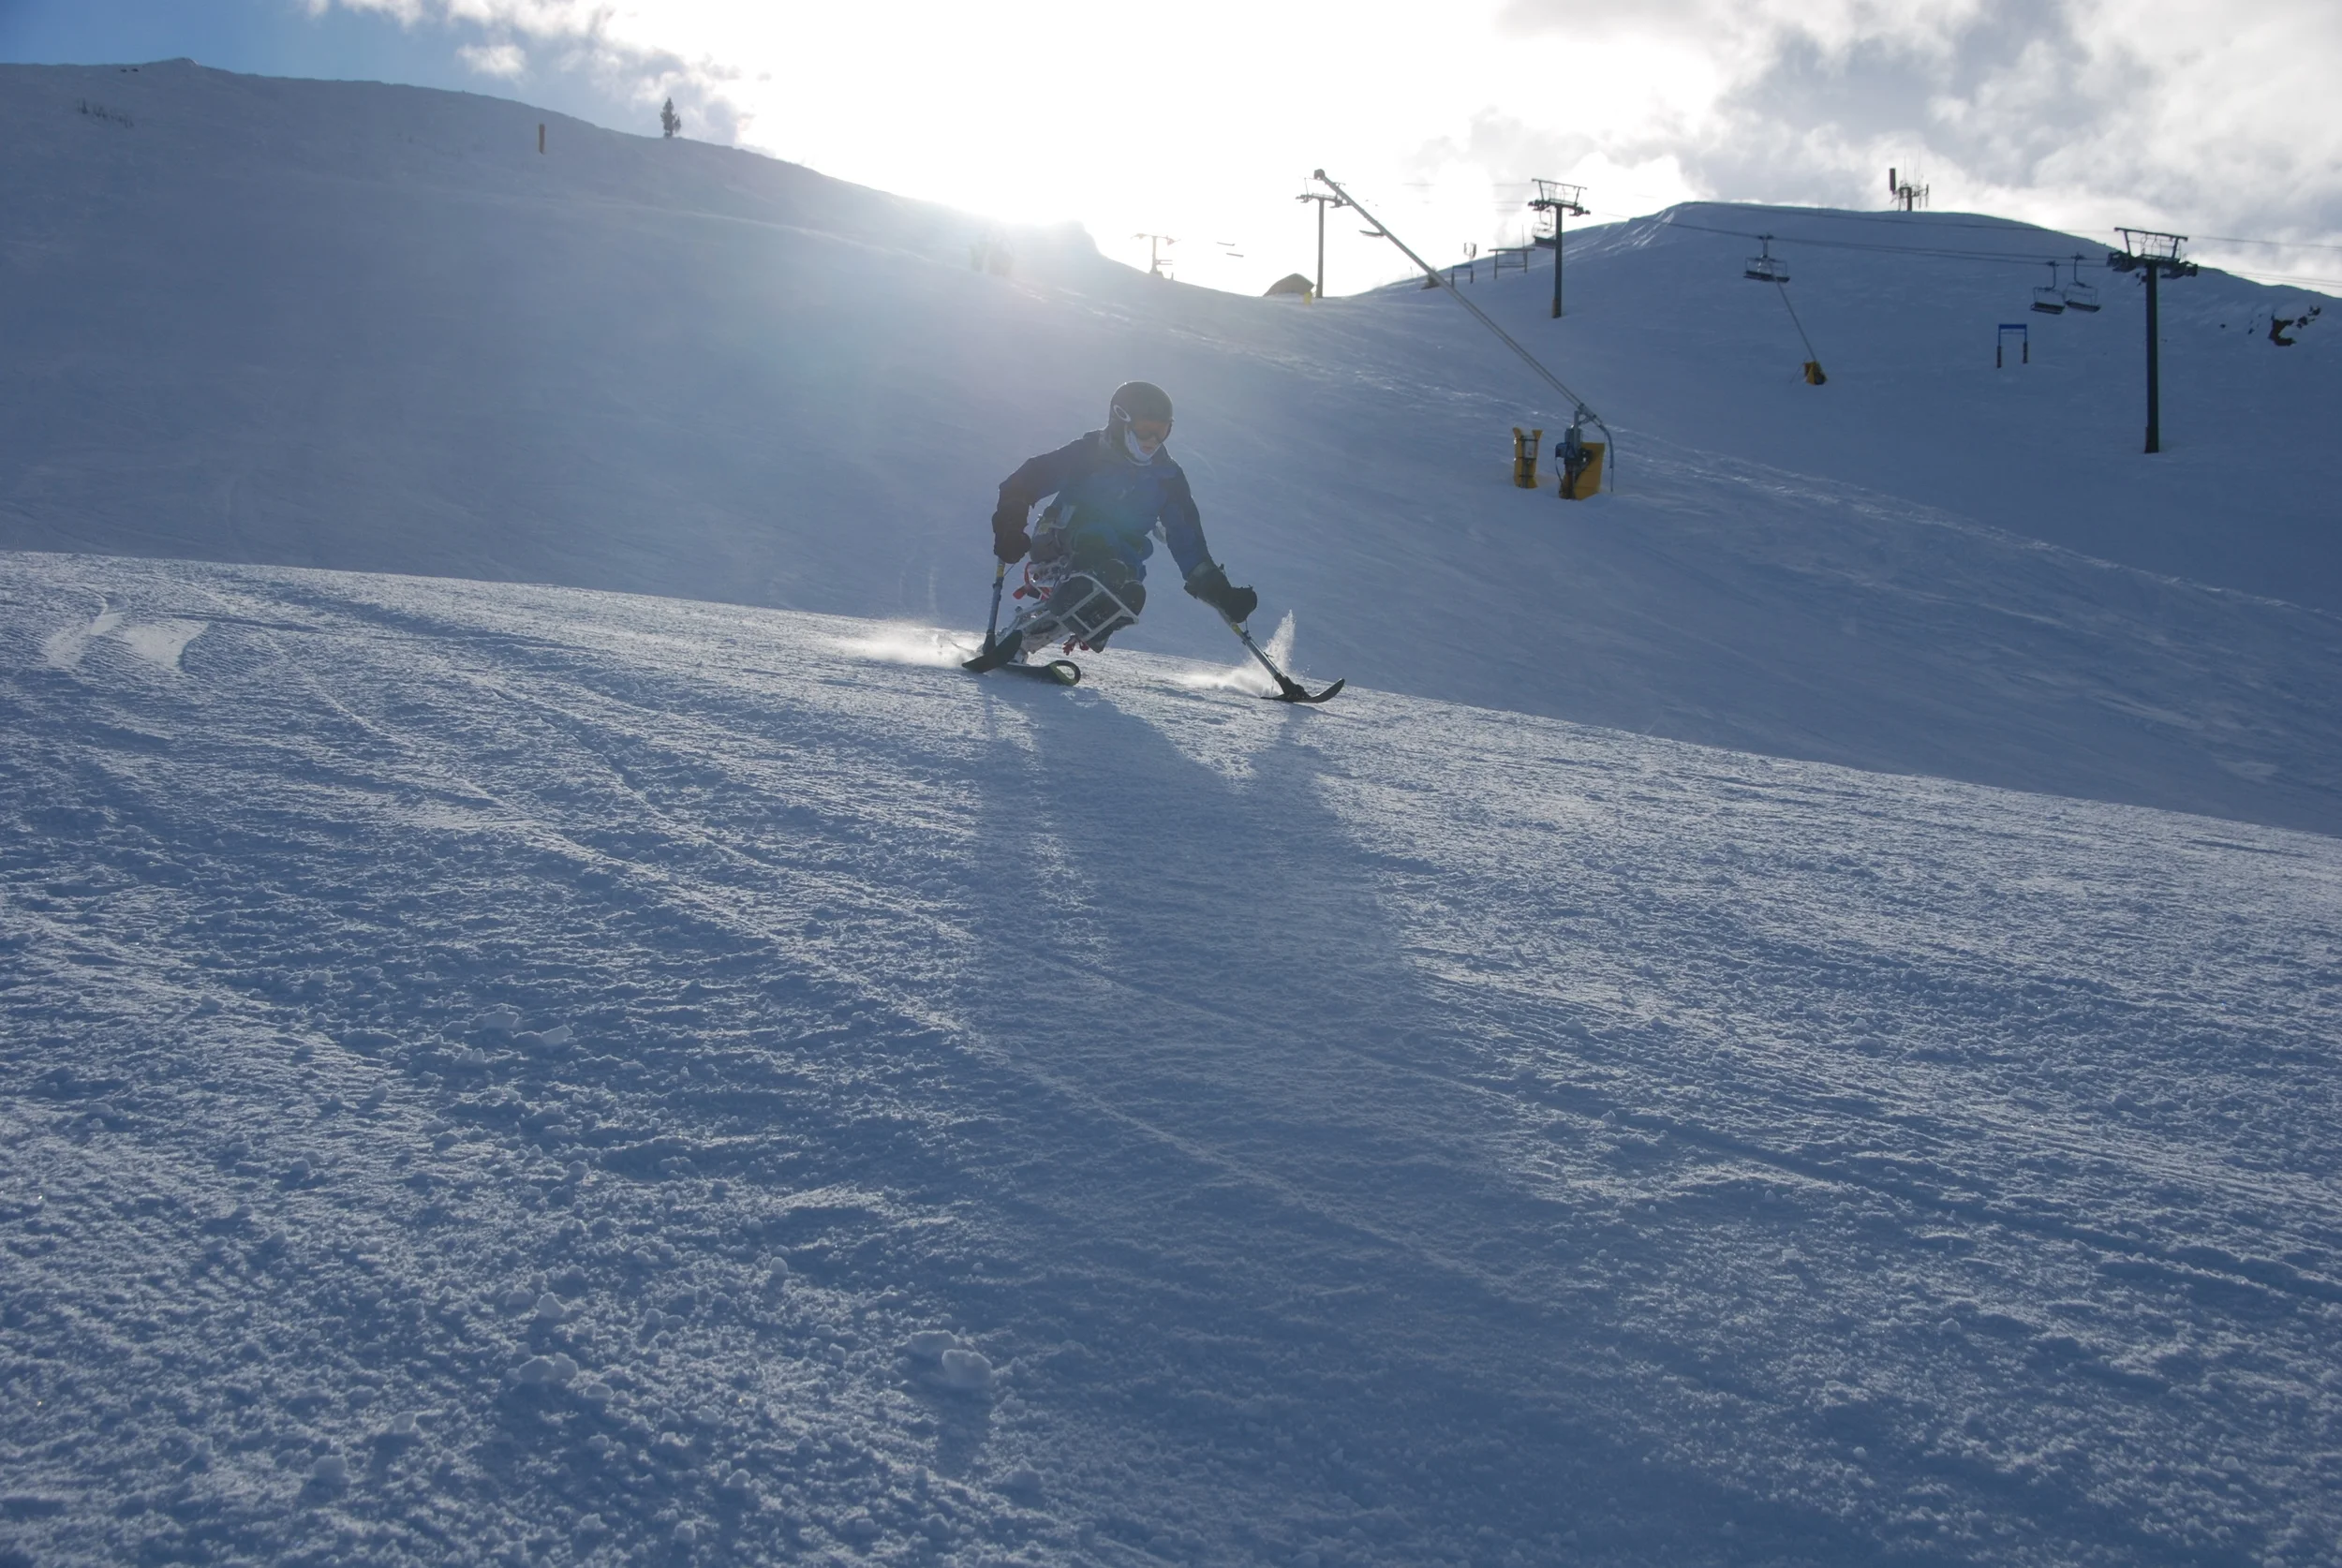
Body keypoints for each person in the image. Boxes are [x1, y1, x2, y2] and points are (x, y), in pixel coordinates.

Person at [987, 381, 1256, 657]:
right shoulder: (1089, 453)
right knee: (1098, 545)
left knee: (1125, 584)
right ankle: (1087, 591)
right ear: (1121, 420)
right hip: (1060, 541)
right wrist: (1010, 525)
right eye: (1145, 428)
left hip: (1116, 561)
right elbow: (1027, 481)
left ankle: (1024, 641)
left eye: (1162, 430)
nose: (1153, 440)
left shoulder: (1168, 478)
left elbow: (1187, 539)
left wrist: (1219, 590)